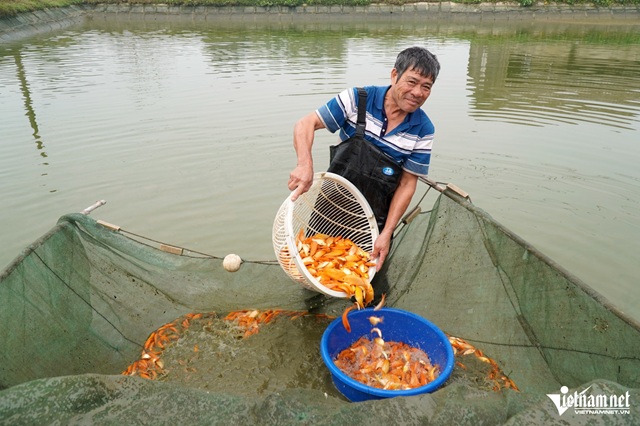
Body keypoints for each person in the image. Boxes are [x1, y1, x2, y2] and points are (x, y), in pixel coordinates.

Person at [288, 46, 440, 276]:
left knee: (365, 282)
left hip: (372, 223)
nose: (417, 92)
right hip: (330, 208)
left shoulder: (423, 130)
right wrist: (304, 164)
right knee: (313, 272)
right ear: (394, 75)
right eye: (412, 81)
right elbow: (305, 124)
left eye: (426, 87)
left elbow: (407, 184)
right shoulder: (358, 99)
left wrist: (387, 233)